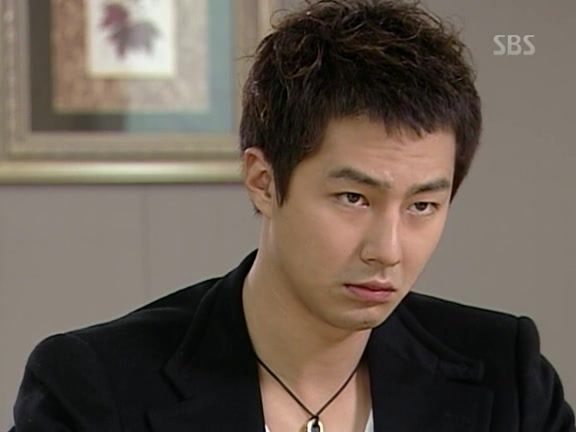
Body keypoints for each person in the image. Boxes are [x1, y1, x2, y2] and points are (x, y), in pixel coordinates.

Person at [10, 0, 575, 431]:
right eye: (353, 198)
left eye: (422, 206)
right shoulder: (97, 387)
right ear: (263, 181)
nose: (388, 250)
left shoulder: (506, 376)